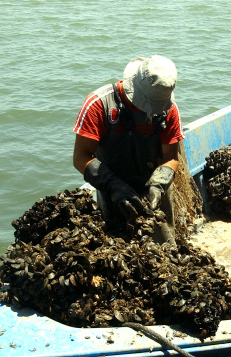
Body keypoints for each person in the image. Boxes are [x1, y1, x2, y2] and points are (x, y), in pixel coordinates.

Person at [72, 55, 185, 246]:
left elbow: (170, 157)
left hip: (156, 186)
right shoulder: (99, 105)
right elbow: (80, 157)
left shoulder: (167, 109)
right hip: (111, 185)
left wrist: (157, 186)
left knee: (164, 251)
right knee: (117, 249)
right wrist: (114, 187)